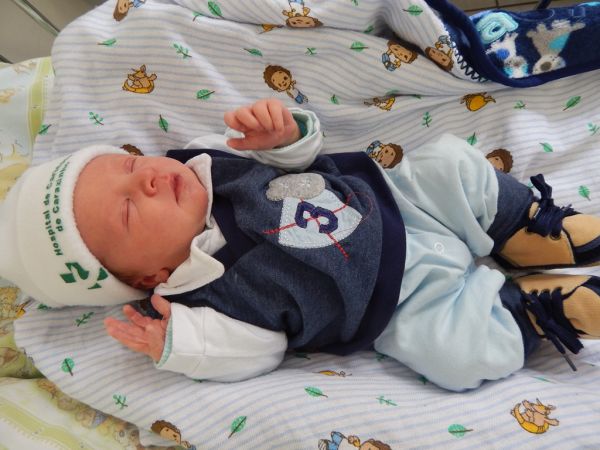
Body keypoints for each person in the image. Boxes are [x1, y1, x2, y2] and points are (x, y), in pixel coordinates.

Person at [1, 98, 600, 391]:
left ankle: (525, 228)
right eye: (130, 208)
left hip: (396, 203)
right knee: (455, 356)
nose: (149, 180)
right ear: (147, 277)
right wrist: (178, 345)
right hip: (397, 303)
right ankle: (529, 312)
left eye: (130, 167)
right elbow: (254, 354)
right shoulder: (203, 303)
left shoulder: (211, 167)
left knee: (449, 164)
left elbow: (299, 163)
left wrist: (284, 135)